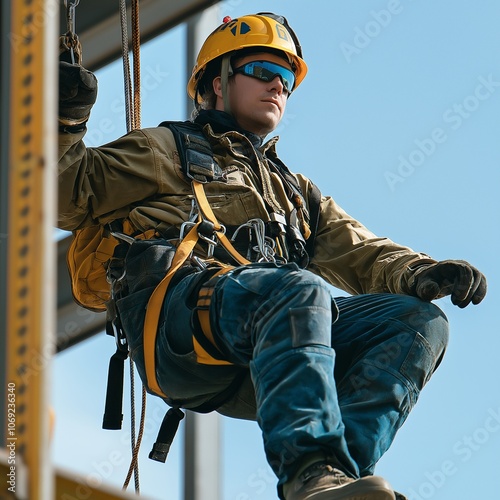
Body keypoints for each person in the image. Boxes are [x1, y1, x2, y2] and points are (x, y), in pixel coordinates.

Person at [57, 12, 487, 500]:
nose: (278, 88)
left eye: (286, 80)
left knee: (416, 321)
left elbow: (361, 250)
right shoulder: (164, 150)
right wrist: (65, 120)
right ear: (217, 83)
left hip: (266, 344)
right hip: (181, 333)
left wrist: (422, 271)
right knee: (297, 288)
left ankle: (337, 478)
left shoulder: (294, 194)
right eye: (263, 72)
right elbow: (64, 192)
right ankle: (308, 469)